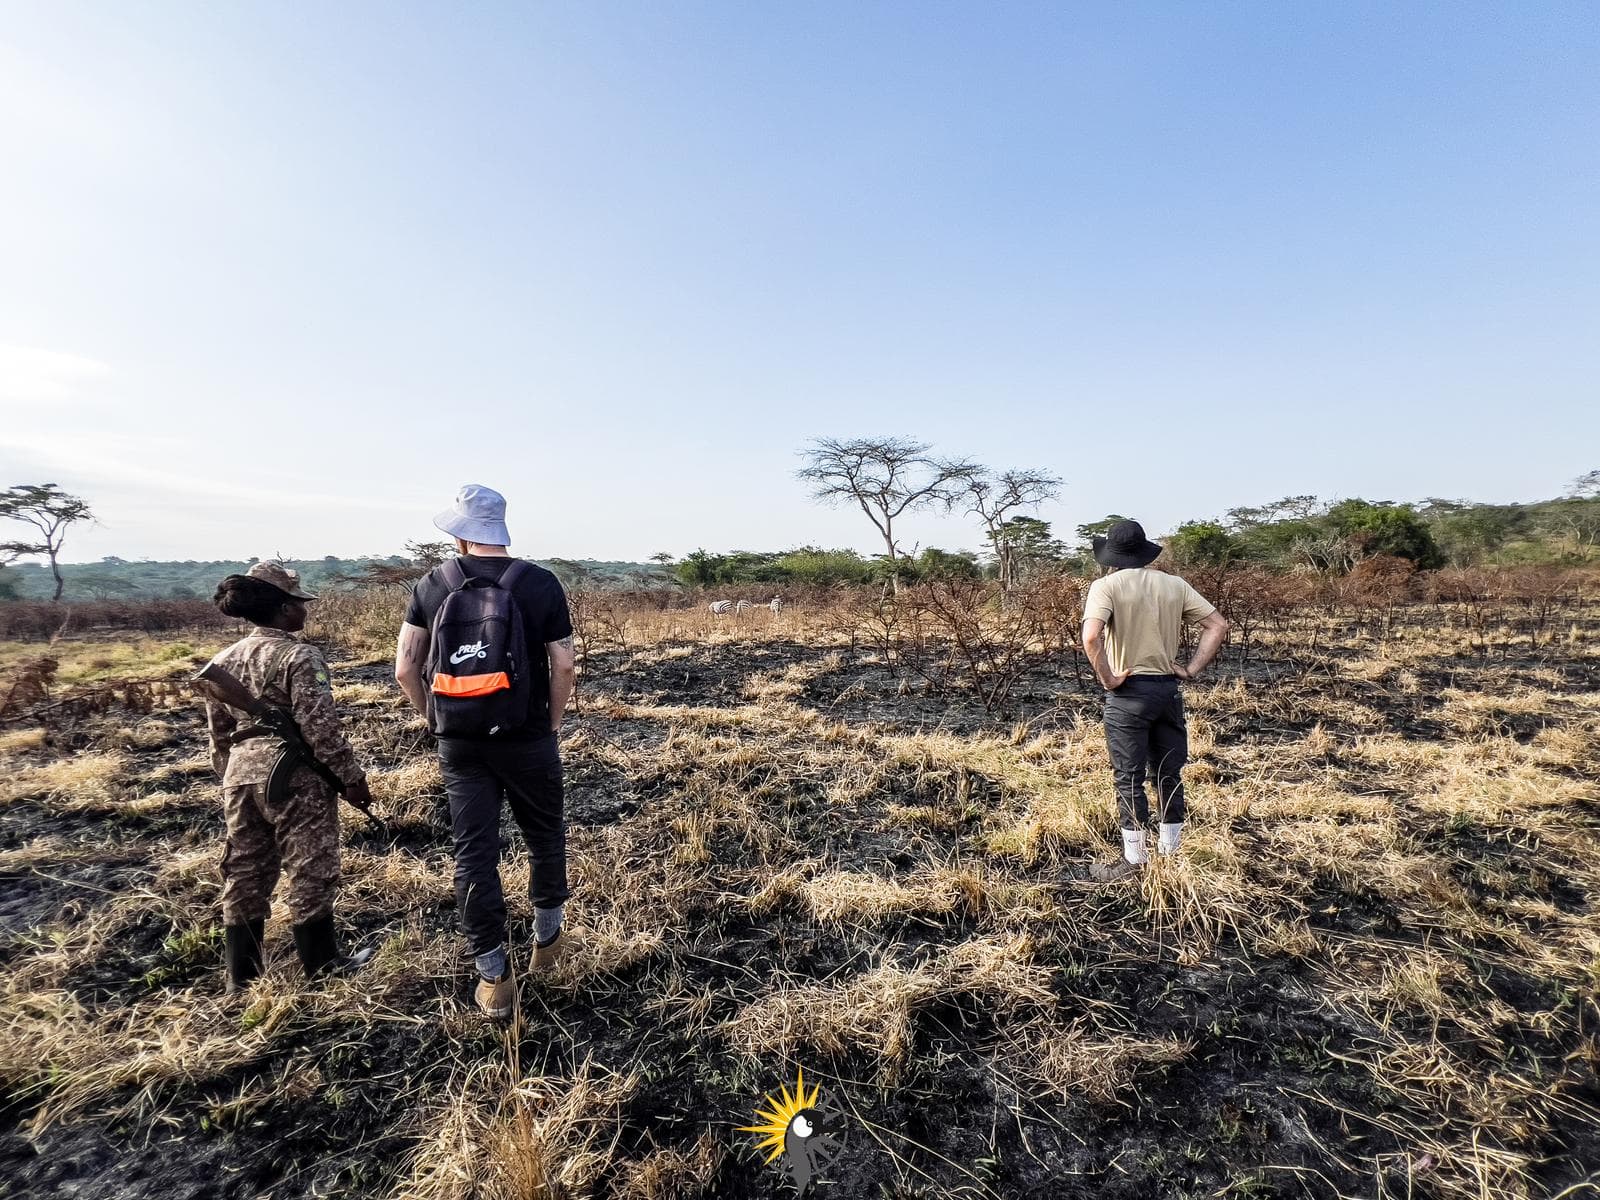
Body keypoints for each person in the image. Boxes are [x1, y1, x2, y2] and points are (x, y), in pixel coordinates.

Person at [394, 484, 578, 1020]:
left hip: (460, 743)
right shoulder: (539, 582)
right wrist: (550, 723)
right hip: (527, 736)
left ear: (460, 534)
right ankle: (548, 944)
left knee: (474, 852)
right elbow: (564, 664)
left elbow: (406, 668)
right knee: (544, 835)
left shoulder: (432, 583)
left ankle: (494, 977)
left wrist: (435, 720)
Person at [205, 562, 375, 989]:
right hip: (295, 776)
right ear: (282, 608)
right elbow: (320, 728)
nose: (305, 610)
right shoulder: (300, 656)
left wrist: (230, 775)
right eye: (299, 603)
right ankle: (323, 964)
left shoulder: (222, 661)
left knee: (245, 870)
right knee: (311, 867)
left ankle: (242, 977)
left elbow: (219, 734)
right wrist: (350, 778)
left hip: (240, 775)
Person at [1080, 520, 1230, 882]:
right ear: (1144, 551)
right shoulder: (1174, 584)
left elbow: (1091, 637)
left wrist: (1109, 678)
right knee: (1168, 773)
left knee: (1128, 776)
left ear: (1111, 556)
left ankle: (1134, 862)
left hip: (1128, 694)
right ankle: (1170, 854)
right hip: (1167, 691)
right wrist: (1190, 669)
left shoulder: (1106, 586)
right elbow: (1218, 625)